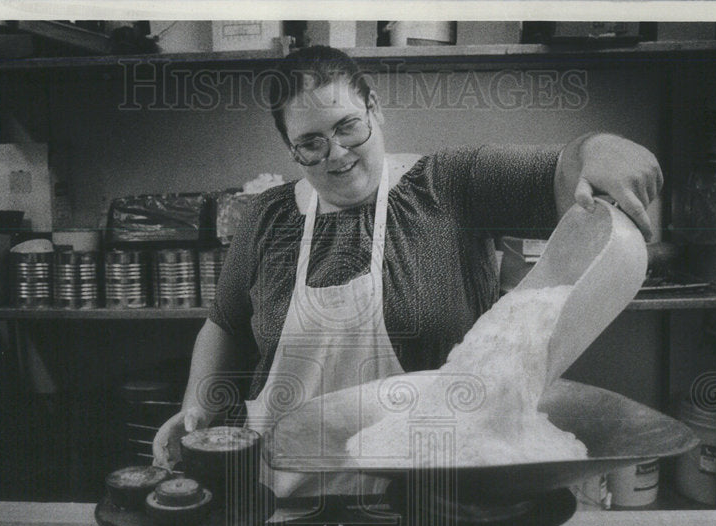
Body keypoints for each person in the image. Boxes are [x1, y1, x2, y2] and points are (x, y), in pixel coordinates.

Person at [153, 45, 662, 497]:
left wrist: (604, 151)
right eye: (311, 142)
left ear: (374, 107)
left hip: (432, 497)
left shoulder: (449, 185)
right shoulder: (267, 216)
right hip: (284, 495)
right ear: (292, 148)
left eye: (347, 126)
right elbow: (224, 324)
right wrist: (194, 406)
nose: (336, 153)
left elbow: (566, 165)